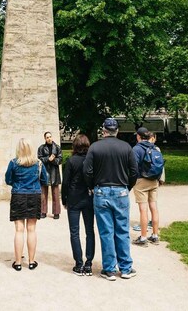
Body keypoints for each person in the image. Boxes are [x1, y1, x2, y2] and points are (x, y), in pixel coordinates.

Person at [83, 118, 138, 281]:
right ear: (117, 131)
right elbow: (134, 171)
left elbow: (87, 171)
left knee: (106, 231)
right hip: (121, 190)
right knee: (122, 230)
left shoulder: (95, 147)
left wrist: (92, 186)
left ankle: (109, 269)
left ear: (104, 131)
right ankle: (126, 267)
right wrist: (127, 187)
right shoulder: (126, 147)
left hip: (101, 191)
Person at [5, 138, 49, 271]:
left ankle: (18, 262)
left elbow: (8, 180)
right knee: (32, 229)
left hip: (18, 194)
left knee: (19, 230)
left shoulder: (13, 163)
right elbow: (45, 180)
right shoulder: (39, 164)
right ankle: (31, 261)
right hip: (34, 195)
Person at [61, 134, 95, 276]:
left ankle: (79, 263)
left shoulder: (71, 161)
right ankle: (88, 263)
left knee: (74, 232)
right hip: (88, 197)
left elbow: (66, 182)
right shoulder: (91, 160)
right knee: (89, 231)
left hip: (74, 198)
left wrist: (64, 199)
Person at [131, 128, 163, 246]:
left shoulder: (137, 149)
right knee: (154, 207)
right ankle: (155, 235)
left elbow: (133, 167)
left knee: (143, 209)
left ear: (139, 137)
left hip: (141, 180)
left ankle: (143, 237)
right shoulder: (154, 147)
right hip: (154, 179)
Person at [37, 131, 62, 219]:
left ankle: (56, 213)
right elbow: (39, 159)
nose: (49, 138)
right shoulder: (41, 148)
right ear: (45, 138)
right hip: (45, 172)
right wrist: (48, 159)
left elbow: (60, 160)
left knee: (55, 194)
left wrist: (53, 160)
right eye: (47, 137)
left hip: (55, 173)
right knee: (43, 194)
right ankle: (43, 211)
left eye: (50, 136)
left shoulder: (57, 148)